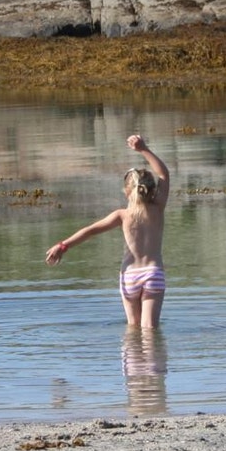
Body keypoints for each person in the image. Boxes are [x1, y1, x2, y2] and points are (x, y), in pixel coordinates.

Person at [45, 134, 170, 327]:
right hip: (153, 273)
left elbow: (90, 230)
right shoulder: (157, 208)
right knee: (150, 329)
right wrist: (143, 149)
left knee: (133, 328)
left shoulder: (122, 216)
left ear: (127, 192)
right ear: (151, 190)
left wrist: (63, 246)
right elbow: (164, 174)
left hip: (129, 275)